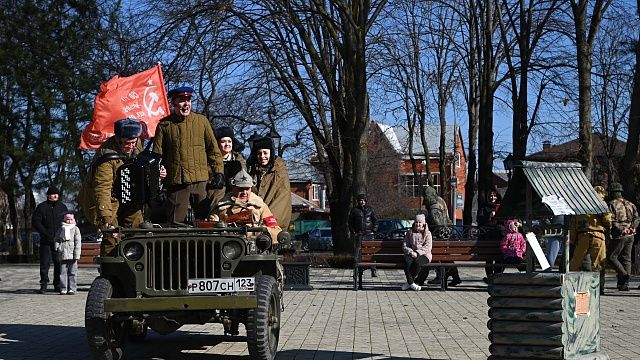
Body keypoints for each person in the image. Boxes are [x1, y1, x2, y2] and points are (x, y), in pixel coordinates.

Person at [78, 118, 164, 256]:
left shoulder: (137, 144)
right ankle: (111, 271)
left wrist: (157, 173)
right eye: (126, 143)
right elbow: (102, 188)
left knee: (138, 232)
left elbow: (142, 168)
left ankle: (137, 267)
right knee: (112, 237)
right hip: (106, 200)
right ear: (118, 139)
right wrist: (106, 220)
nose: (131, 146)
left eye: (133, 142)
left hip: (131, 197)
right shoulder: (106, 156)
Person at [153, 86, 225, 223]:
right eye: (182, 100)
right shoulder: (164, 125)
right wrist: (157, 184)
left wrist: (219, 173)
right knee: (175, 223)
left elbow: (214, 151)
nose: (187, 104)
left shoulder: (202, 121)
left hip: (200, 181)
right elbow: (157, 156)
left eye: (189, 100)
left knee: (204, 222)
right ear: (173, 103)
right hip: (176, 183)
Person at [209, 169, 283, 245]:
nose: (244, 192)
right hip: (226, 246)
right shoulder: (221, 207)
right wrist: (215, 224)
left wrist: (261, 230)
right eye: (240, 189)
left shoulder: (260, 206)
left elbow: (275, 230)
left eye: (247, 189)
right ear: (233, 188)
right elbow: (209, 229)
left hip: (254, 247)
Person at [247, 136, 291, 229]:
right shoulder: (252, 172)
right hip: (255, 222)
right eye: (259, 153)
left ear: (271, 153)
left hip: (271, 223)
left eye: (265, 153)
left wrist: (265, 219)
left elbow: (281, 200)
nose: (262, 156)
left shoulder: (279, 172)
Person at [423, 185, 461, 287]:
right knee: (447, 257)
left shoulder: (433, 208)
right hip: (447, 233)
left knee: (437, 256)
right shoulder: (440, 200)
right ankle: (456, 277)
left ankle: (439, 277)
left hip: (439, 236)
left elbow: (437, 224)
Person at [33, 186, 68, 294]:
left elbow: (67, 221)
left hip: (59, 241)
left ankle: (57, 284)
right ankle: (43, 284)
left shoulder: (62, 207)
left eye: (56, 194)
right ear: (48, 195)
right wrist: (45, 233)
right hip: (46, 240)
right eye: (53, 194)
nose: (55, 195)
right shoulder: (41, 207)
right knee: (45, 263)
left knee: (58, 263)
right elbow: (36, 222)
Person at [607, 182, 639, 291]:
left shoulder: (612, 204)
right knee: (626, 259)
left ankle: (624, 274)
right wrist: (633, 227)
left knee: (611, 257)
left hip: (620, 234)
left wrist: (621, 229)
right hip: (631, 233)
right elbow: (637, 218)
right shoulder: (630, 204)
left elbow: (610, 220)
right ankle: (624, 284)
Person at [209, 126, 246, 207]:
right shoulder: (211, 160)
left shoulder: (239, 159)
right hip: (216, 199)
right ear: (217, 144)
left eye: (229, 141)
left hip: (237, 197)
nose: (227, 144)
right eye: (223, 141)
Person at [477, 188, 504, 283]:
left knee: (499, 259)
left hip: (499, 237)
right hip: (488, 237)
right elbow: (480, 221)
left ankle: (497, 277)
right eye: (491, 196)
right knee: (489, 259)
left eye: (495, 195)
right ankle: (490, 277)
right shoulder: (484, 207)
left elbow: (504, 222)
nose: (493, 197)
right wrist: (489, 216)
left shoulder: (501, 207)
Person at [348, 193, 379, 277]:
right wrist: (353, 231)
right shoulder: (354, 210)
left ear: (365, 201)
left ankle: (373, 270)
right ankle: (357, 270)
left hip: (369, 234)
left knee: (371, 252)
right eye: (360, 200)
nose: (361, 202)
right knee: (357, 252)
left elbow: (375, 221)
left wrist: (374, 230)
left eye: (363, 200)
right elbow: (350, 222)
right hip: (359, 234)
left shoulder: (371, 210)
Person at [401, 214, 432, 291]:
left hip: (424, 255)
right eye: (416, 222)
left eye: (420, 222)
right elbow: (405, 245)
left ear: (423, 224)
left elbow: (428, 247)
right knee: (406, 261)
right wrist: (410, 252)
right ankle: (411, 283)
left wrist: (417, 253)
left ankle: (409, 283)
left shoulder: (428, 233)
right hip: (411, 253)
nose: (418, 224)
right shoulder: (409, 233)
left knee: (417, 263)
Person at [54, 213, 81, 295]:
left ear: (73, 220)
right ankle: (63, 288)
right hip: (63, 253)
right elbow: (56, 238)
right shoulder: (61, 228)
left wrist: (77, 254)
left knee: (73, 272)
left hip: (72, 254)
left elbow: (78, 242)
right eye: (67, 219)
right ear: (64, 219)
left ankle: (72, 288)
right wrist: (57, 247)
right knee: (63, 273)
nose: (69, 221)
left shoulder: (75, 229)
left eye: (71, 219)